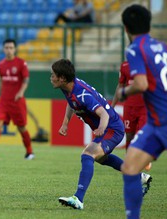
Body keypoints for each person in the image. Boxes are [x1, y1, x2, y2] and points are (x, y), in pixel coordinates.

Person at [50, 59, 151, 210]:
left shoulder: (82, 94)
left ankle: (78, 198)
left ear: (62, 78)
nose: (51, 77)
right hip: (109, 127)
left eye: (53, 75)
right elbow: (71, 103)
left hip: (112, 128)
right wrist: (65, 123)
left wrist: (101, 129)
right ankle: (139, 177)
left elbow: (104, 114)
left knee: (88, 155)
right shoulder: (69, 87)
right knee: (101, 158)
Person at [117, 5, 167, 219]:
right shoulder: (163, 47)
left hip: (160, 122)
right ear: (149, 25)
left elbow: (141, 83)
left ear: (126, 28)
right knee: (129, 167)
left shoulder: (134, 48)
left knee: (130, 169)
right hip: (157, 124)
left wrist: (124, 92)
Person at [0, 39, 34, 160]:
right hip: (4, 100)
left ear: (15, 49)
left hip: (17, 101)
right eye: (7, 47)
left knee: (21, 127)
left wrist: (21, 92)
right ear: (3, 49)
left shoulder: (21, 63)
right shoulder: (1, 64)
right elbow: (1, 81)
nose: (9, 50)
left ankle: (29, 151)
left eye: (11, 47)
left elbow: (26, 80)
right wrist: (1, 95)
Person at [111, 61, 152, 171]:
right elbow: (120, 86)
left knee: (141, 135)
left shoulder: (148, 64)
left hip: (144, 106)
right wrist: (112, 105)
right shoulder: (124, 66)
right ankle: (130, 159)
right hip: (129, 106)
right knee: (129, 135)